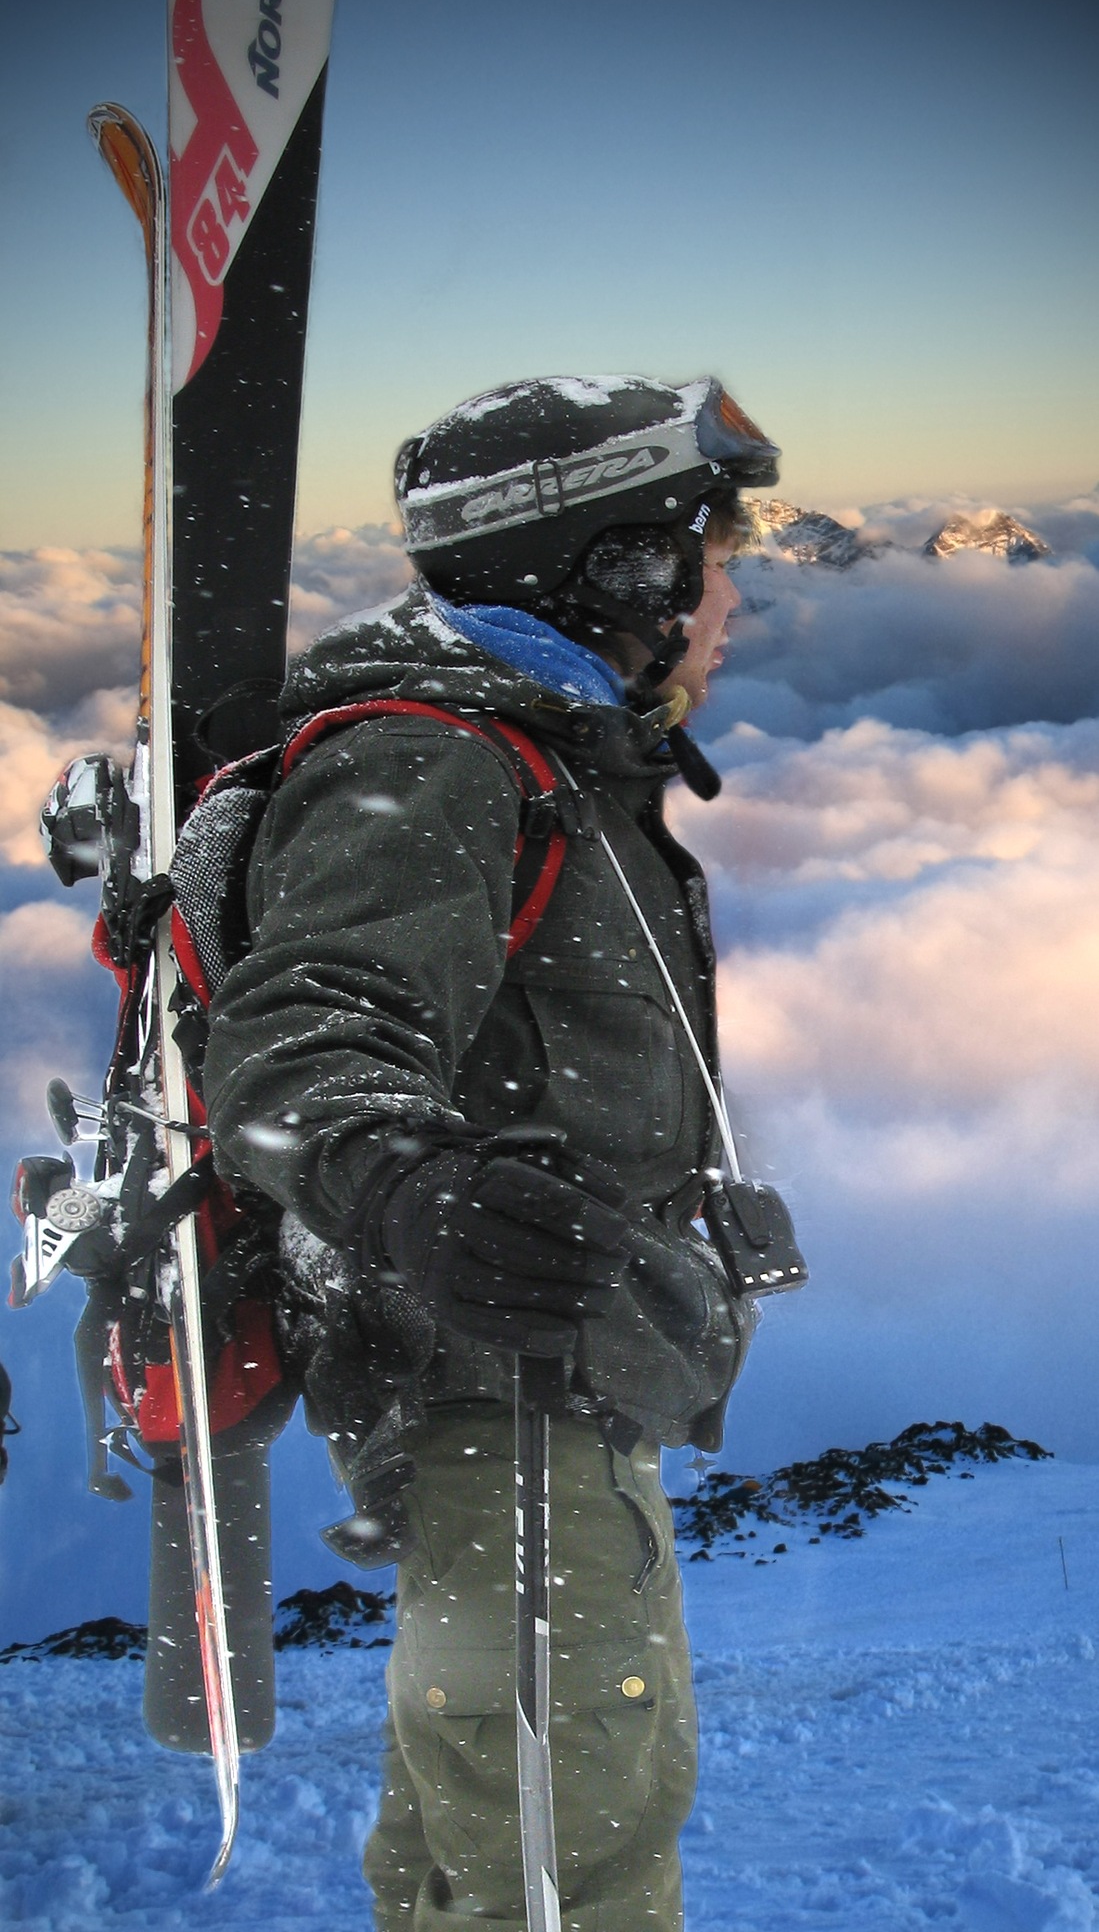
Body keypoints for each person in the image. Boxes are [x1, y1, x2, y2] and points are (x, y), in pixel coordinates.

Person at [204, 373, 785, 1932]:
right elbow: (301, 1033)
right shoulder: (437, 760)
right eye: (713, 558)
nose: (735, 597)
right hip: (503, 1398)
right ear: (622, 570)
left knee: (492, 1845)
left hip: (549, 1375)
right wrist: (408, 1186)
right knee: (568, 1857)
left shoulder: (542, 752)